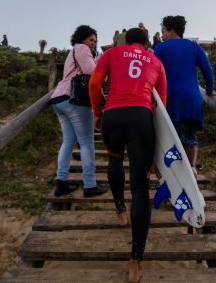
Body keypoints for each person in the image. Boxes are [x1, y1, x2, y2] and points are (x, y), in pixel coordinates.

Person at [89, 28, 167, 282]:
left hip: (113, 115)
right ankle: (135, 261)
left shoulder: (111, 53)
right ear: (146, 43)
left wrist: (97, 112)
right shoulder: (156, 61)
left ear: (126, 40)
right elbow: (161, 105)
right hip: (140, 117)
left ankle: (121, 211)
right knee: (140, 186)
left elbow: (94, 83)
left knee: (113, 159)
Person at [49, 25, 108, 198]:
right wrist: (106, 67)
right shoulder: (81, 49)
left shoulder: (72, 52)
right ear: (81, 38)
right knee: (87, 142)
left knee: (68, 142)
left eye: (94, 41)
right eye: (91, 39)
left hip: (59, 99)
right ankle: (90, 185)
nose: (93, 43)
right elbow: (93, 72)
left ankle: (61, 183)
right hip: (74, 99)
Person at [154, 15, 214, 177]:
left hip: (168, 99)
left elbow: (152, 72)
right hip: (191, 99)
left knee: (165, 137)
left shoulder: (160, 48)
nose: (162, 35)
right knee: (189, 136)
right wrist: (209, 90)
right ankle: (191, 169)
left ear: (171, 31)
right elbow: (207, 70)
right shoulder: (194, 47)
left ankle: (168, 173)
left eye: (163, 31)